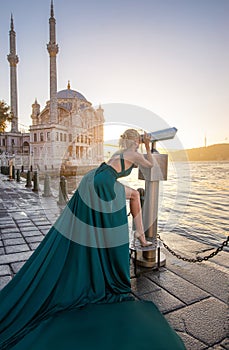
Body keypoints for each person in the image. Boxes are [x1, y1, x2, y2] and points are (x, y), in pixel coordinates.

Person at [0, 128, 185, 350]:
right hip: (103, 182)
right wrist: (147, 145)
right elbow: (151, 165)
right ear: (135, 140)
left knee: (132, 196)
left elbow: (113, 169)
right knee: (132, 199)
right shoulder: (134, 152)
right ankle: (140, 236)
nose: (140, 142)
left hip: (94, 178)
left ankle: (138, 235)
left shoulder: (119, 152)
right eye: (139, 139)